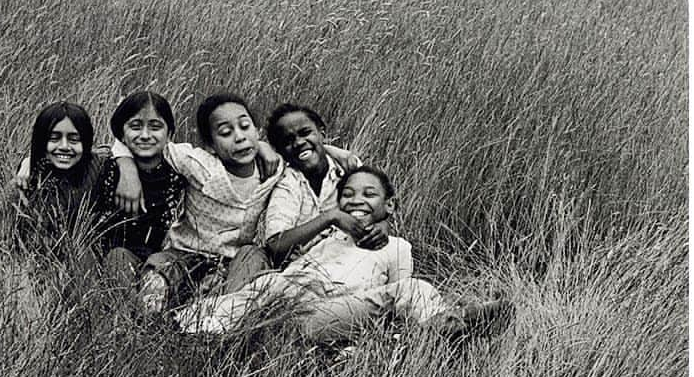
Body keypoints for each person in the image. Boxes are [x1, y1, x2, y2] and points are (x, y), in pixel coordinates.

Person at [175, 166, 512, 344]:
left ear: (389, 206)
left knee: (414, 290)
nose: (356, 200)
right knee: (198, 319)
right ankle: (209, 334)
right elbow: (280, 249)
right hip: (279, 295)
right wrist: (333, 221)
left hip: (322, 313)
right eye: (347, 195)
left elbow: (393, 302)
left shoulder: (396, 247)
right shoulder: (327, 234)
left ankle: (447, 328)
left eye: (369, 194)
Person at [112, 92, 285, 313]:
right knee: (161, 269)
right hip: (184, 254)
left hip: (232, 264)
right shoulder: (198, 164)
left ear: (257, 130)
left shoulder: (273, 170)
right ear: (210, 145)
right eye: (225, 132)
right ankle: (149, 313)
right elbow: (138, 139)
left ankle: (219, 314)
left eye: (245, 126)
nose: (239, 137)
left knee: (253, 254)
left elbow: (308, 151)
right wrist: (127, 169)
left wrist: (264, 146)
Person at [263, 103, 390, 266]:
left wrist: (383, 225)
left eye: (305, 133)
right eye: (288, 141)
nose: (299, 142)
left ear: (321, 133)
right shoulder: (288, 184)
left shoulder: (347, 167)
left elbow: (380, 209)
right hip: (304, 267)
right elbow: (276, 244)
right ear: (280, 151)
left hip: (350, 257)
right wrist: (330, 217)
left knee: (397, 250)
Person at [91, 91, 186, 286]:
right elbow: (63, 160)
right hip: (112, 263)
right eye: (135, 126)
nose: (145, 135)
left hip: (162, 264)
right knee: (118, 258)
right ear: (122, 136)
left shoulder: (182, 171)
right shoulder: (106, 167)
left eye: (155, 127)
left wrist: (262, 147)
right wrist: (27, 163)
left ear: (169, 134)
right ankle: (132, 315)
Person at [9, 101, 108, 257]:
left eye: (74, 139)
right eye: (54, 138)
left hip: (84, 262)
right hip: (36, 265)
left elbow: (112, 151)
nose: (64, 146)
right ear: (41, 142)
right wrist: (30, 161)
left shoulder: (98, 166)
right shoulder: (25, 183)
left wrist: (127, 165)